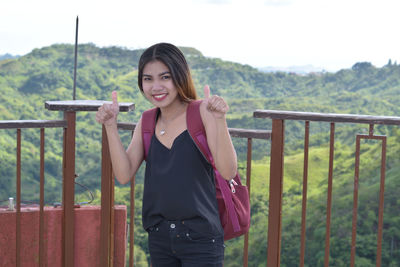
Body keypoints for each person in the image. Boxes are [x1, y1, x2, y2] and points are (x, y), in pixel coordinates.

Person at [96, 42, 238, 266]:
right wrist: (111, 126)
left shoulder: (203, 112)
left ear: (179, 77)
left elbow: (228, 171)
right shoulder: (147, 121)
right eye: (148, 79)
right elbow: (123, 174)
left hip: (201, 239)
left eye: (165, 77)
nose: (156, 86)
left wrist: (220, 120)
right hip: (160, 238)